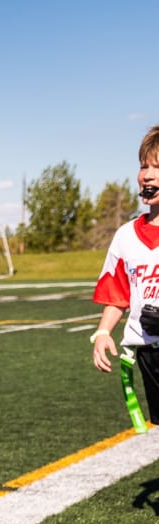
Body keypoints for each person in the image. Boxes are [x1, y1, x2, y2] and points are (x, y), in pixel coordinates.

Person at [92, 125, 159, 430]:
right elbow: (117, 294)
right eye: (144, 165)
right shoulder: (126, 237)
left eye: (157, 167)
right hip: (147, 351)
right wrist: (103, 332)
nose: (147, 175)